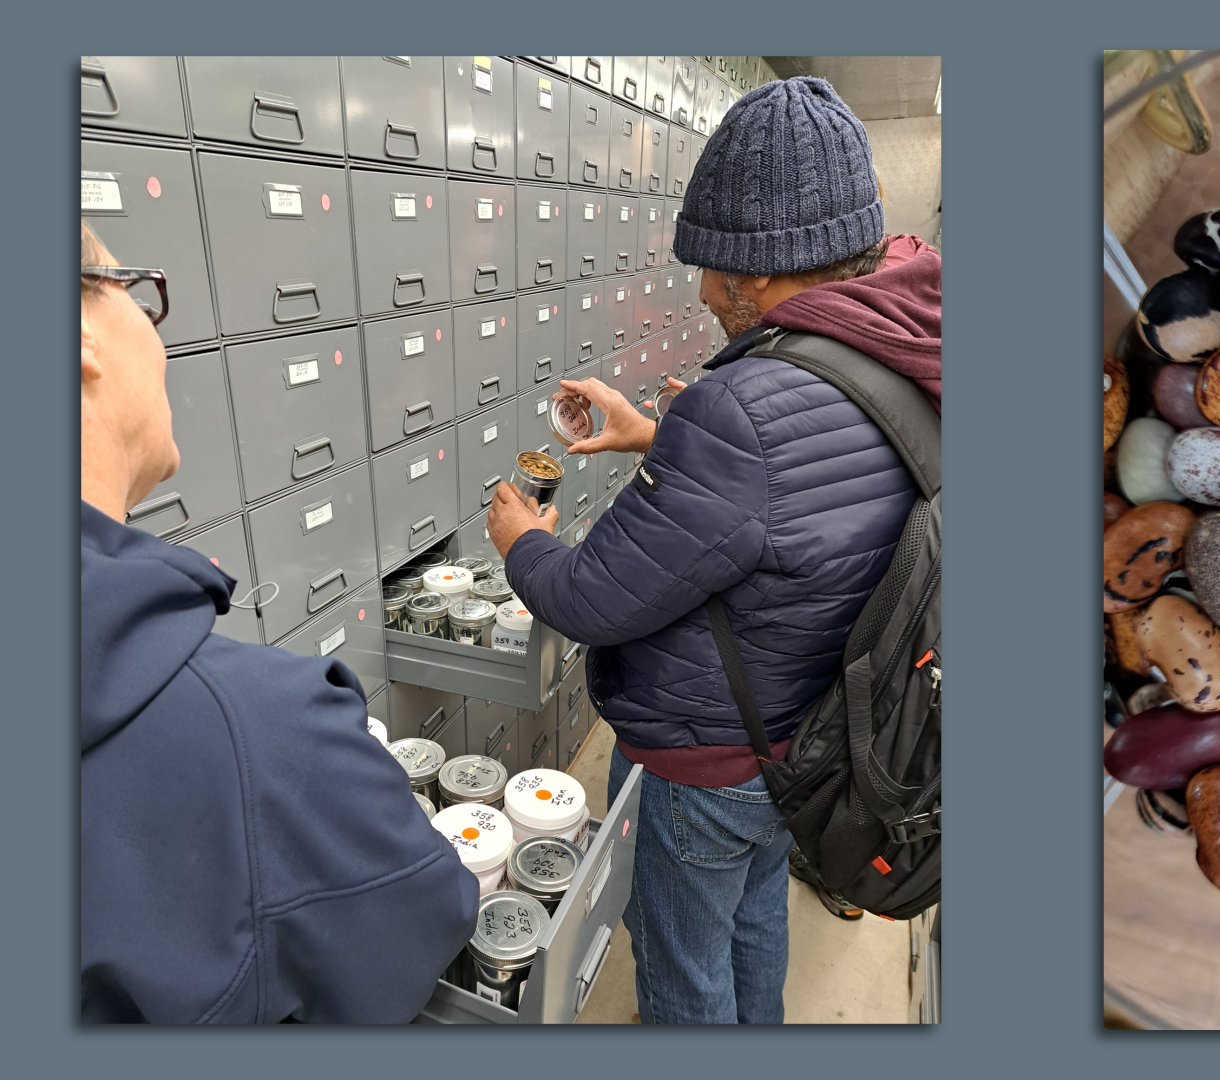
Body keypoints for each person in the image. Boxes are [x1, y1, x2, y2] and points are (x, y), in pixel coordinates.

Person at [487, 76, 940, 1024]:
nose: (699, 291)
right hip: (813, 742)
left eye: (711, 268)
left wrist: (522, 540)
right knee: (753, 922)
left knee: (682, 967)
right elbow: (815, 488)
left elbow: (590, 599)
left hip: (711, 760)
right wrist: (659, 437)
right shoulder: (906, 341)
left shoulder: (740, 408)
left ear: (762, 268)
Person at [79, 223, 476, 1023]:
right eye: (134, 290)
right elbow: (428, 913)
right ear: (79, 338)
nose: (156, 332)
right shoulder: (262, 736)